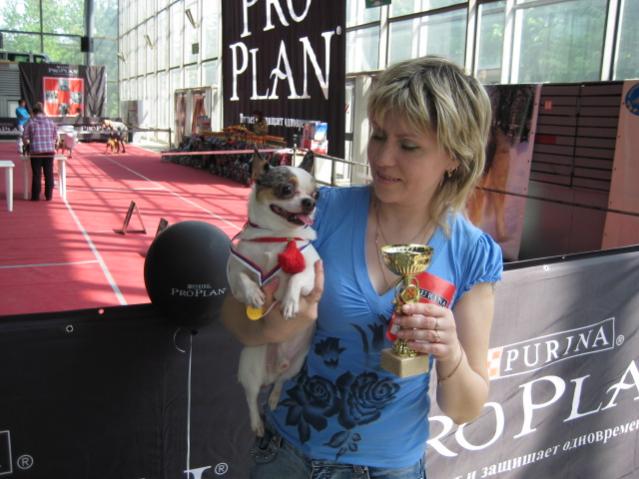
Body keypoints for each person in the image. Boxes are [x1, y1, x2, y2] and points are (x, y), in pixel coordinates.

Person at [221, 56, 503, 478]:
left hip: (390, 469)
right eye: (378, 136)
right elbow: (233, 316)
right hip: (287, 458)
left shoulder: (472, 253)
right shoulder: (319, 213)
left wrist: (450, 351)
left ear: (455, 157)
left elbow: (465, 409)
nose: (383, 158)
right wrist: (270, 325)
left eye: (408, 146)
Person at [22, 102, 58, 201]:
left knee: (36, 174)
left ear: (34, 112)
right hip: (49, 152)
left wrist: (27, 146)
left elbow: (25, 138)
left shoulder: (30, 122)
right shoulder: (51, 122)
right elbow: (55, 137)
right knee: (49, 174)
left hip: (36, 152)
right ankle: (49, 195)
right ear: (43, 111)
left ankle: (35, 196)